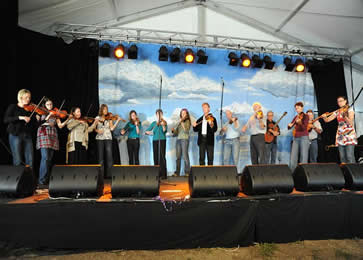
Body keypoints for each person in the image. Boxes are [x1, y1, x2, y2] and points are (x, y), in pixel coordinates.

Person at [35, 98, 69, 186]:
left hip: (52, 136)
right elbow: (39, 124)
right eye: (48, 104)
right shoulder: (40, 113)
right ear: (44, 105)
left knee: (49, 159)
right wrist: (48, 117)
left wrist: (67, 120)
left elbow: (60, 126)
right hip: (44, 135)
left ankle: (46, 180)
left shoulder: (55, 114)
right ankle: (41, 180)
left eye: (51, 104)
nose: (50, 106)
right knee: (45, 158)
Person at [4, 89, 36, 168]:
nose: (28, 99)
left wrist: (37, 119)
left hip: (27, 135)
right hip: (15, 135)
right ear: (20, 98)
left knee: (30, 160)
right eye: (26, 97)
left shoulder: (30, 109)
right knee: (17, 160)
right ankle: (18, 179)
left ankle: (29, 180)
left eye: (29, 97)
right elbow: (6, 119)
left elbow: (34, 124)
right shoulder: (13, 107)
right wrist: (20, 117)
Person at [322, 96, 357, 163]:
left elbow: (350, 122)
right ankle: (345, 172)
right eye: (338, 101)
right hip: (340, 135)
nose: (339, 103)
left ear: (345, 101)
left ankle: (353, 172)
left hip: (349, 135)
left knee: (349, 156)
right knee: (342, 157)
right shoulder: (337, 111)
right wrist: (324, 117)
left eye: (341, 101)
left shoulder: (350, 109)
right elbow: (327, 120)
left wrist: (344, 116)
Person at [95, 104, 122, 177]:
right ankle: (100, 176)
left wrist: (117, 121)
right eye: (104, 109)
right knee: (100, 158)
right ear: (101, 110)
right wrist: (97, 130)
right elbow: (94, 128)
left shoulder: (109, 118)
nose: (106, 110)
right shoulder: (97, 118)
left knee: (109, 157)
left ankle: (110, 175)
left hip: (108, 138)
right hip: (100, 138)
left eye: (106, 109)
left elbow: (112, 128)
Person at [145, 109, 168, 179]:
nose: (159, 115)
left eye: (160, 114)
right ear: (156, 115)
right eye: (158, 114)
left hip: (162, 140)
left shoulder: (164, 122)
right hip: (155, 140)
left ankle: (163, 174)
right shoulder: (154, 123)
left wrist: (163, 125)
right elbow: (147, 131)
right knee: (155, 157)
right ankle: (157, 174)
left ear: (162, 114)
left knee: (162, 157)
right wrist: (150, 133)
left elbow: (164, 131)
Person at [288, 102, 309, 171]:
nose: (297, 110)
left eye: (298, 108)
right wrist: (289, 125)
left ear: (302, 108)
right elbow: (289, 127)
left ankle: (304, 173)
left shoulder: (306, 116)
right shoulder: (296, 117)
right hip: (296, 138)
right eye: (296, 108)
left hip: (304, 137)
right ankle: (292, 173)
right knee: (293, 156)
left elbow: (304, 128)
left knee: (303, 156)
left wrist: (300, 123)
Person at [171, 108, 191, 176]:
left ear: (186, 114)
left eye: (184, 113)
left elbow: (186, 130)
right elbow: (175, 134)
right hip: (178, 140)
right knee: (178, 157)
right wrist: (173, 131)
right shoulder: (179, 123)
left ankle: (187, 172)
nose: (183, 114)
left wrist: (182, 123)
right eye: (182, 113)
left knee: (185, 156)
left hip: (184, 139)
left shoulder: (187, 121)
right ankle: (177, 172)